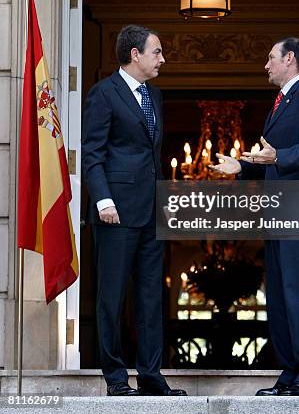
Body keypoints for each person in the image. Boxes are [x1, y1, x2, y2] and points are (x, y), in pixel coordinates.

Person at [211, 37, 299, 397]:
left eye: (270, 58)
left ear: (290, 59)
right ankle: (291, 371)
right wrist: (242, 165)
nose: (266, 65)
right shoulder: (281, 102)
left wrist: (278, 157)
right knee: (279, 296)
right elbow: (272, 158)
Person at [82, 25, 187, 397]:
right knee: (112, 296)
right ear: (134, 55)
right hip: (116, 213)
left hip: (151, 212)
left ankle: (151, 376)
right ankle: (114, 378)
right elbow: (93, 154)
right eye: (157, 52)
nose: (162, 59)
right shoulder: (103, 94)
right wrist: (103, 200)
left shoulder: (153, 96)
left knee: (150, 297)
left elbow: (151, 156)